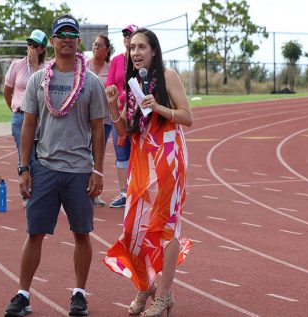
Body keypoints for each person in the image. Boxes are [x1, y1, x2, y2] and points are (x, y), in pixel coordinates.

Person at [4, 14, 108, 317]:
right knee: (34, 233)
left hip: (78, 170)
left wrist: (98, 170)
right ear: (52, 41)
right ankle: (23, 294)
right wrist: (24, 168)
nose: (66, 38)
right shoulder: (38, 79)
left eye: (71, 34)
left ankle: (79, 294)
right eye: (60, 34)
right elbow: (28, 125)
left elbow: (99, 130)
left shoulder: (90, 82)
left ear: (78, 42)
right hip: (45, 167)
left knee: (81, 233)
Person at [103, 28, 193, 317]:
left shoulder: (168, 78)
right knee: (132, 230)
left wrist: (159, 106)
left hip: (168, 157)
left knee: (166, 228)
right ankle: (145, 285)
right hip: (141, 161)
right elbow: (125, 133)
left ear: (154, 50)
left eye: (142, 47)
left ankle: (163, 296)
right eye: (133, 48)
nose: (136, 53)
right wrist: (112, 106)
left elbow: (187, 117)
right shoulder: (131, 85)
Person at [3, 29, 48, 167]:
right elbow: (7, 91)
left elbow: (45, 91)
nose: (31, 48)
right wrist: (16, 108)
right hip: (20, 117)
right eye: (29, 44)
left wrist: (35, 66)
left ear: (42, 49)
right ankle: (25, 187)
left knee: (40, 158)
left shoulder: (47, 68)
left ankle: (39, 188)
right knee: (23, 158)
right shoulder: (17, 65)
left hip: (40, 118)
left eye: (35, 45)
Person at [106, 24, 138, 208]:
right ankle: (124, 193)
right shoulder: (117, 60)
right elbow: (110, 84)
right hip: (119, 113)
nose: (127, 37)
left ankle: (138, 191)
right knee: (121, 155)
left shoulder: (140, 59)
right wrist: (118, 98)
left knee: (138, 153)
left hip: (137, 113)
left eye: (131, 34)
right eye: (125, 34)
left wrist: (129, 97)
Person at [86, 34, 112, 207]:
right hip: (85, 118)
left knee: (98, 155)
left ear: (106, 50)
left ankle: (95, 192)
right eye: (95, 44)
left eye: (99, 45)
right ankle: (82, 190)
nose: (96, 47)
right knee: (85, 153)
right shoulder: (84, 65)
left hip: (104, 118)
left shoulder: (110, 69)